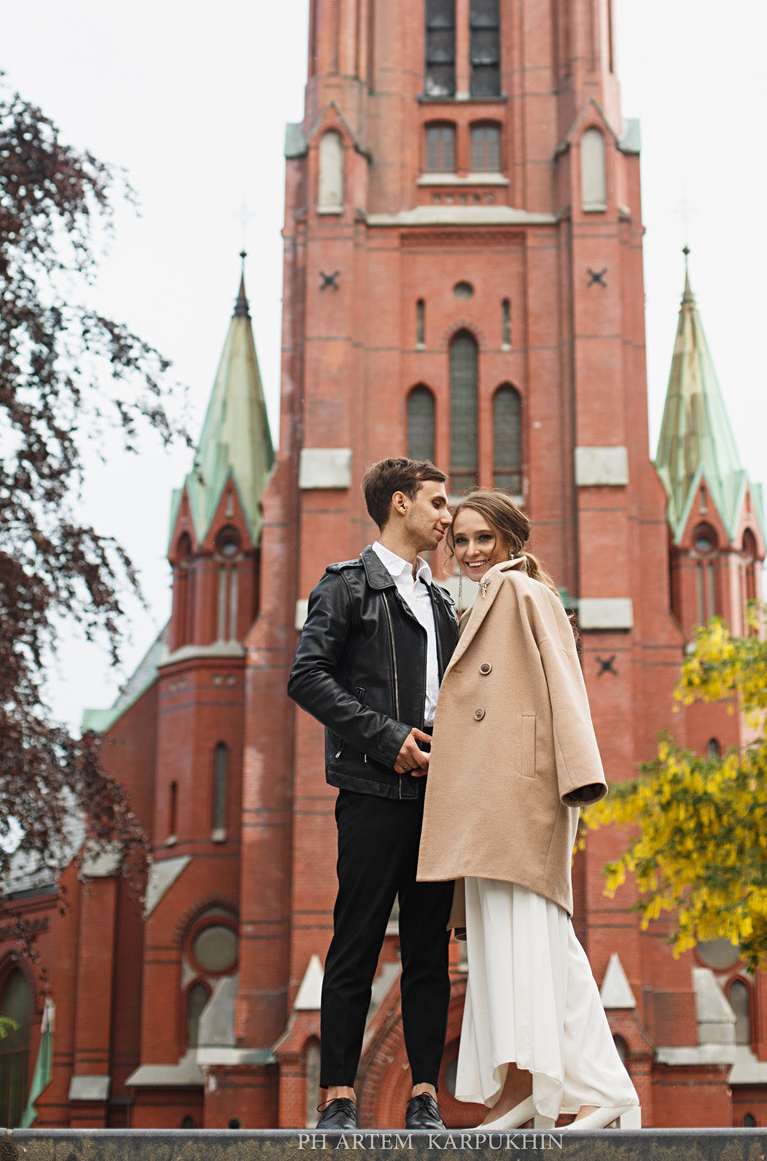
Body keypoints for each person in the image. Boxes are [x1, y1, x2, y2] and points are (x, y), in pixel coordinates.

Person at [418, 489, 640, 1131]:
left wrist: (580, 778)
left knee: (540, 940)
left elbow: (566, 688)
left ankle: (605, 1087)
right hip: (487, 804)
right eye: (459, 541)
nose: (469, 551)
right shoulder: (488, 599)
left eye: (483, 538)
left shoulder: (524, 593)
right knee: (498, 947)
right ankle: (522, 1092)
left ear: (511, 539)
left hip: (522, 796)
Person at [288, 457, 460, 1132]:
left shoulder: (441, 600)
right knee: (355, 945)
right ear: (399, 504)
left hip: (439, 796)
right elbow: (307, 676)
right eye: (438, 504)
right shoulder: (346, 588)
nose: (448, 517)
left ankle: (424, 1098)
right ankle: (337, 1099)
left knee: (428, 952)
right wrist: (389, 739)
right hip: (371, 790)